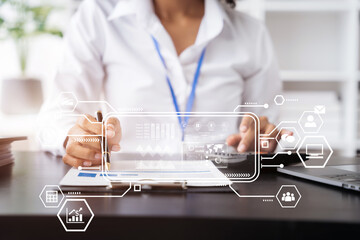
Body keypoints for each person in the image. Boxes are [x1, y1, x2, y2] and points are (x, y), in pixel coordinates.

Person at [39, 0, 289, 168]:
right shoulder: (99, 16)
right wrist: (73, 138)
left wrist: (262, 141)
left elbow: (265, 129)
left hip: (221, 192)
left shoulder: (251, 32)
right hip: (127, 191)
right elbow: (55, 115)